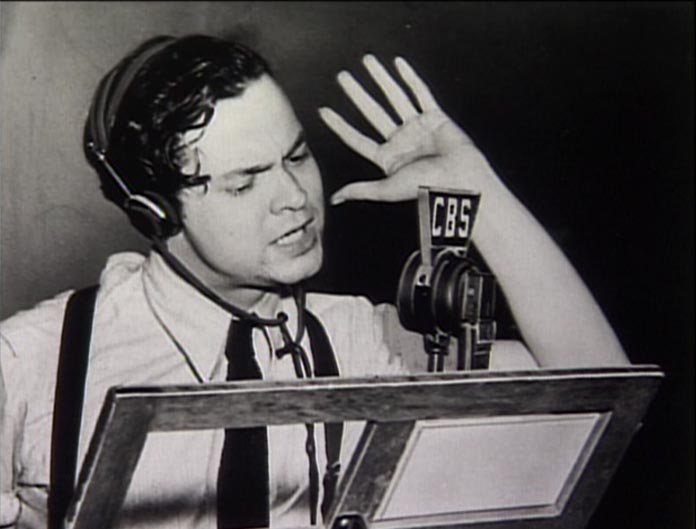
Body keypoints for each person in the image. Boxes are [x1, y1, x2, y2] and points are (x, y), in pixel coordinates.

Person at [0, 34, 629, 529]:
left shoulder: (361, 339)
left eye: (297, 157)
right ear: (154, 213)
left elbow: (602, 395)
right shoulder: (28, 363)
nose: (295, 199)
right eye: (245, 183)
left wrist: (479, 194)